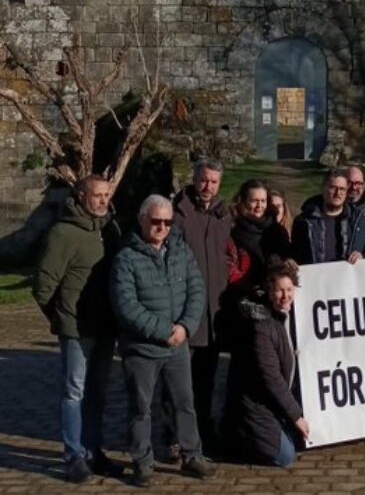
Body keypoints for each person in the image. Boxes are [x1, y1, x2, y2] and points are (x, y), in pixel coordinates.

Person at [111, 195, 216, 487]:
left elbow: (197, 288)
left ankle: (192, 454)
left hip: (178, 345)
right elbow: (126, 306)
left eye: (167, 222)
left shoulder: (181, 251)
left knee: (185, 403)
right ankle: (142, 461)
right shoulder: (126, 258)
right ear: (143, 219)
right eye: (156, 221)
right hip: (142, 348)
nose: (162, 227)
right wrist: (163, 330)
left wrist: (185, 326)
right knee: (140, 408)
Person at [32, 174, 124, 483]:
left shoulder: (110, 230)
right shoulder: (63, 234)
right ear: (81, 196)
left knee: (98, 393)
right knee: (74, 392)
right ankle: (73, 456)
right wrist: (61, 319)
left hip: (105, 326)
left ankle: (92, 451)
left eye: (106, 196)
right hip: (76, 329)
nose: (102, 201)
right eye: (97, 195)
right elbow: (43, 286)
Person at [223, 262, 308, 467]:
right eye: (279, 290)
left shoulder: (288, 316)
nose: (285, 296)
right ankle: (239, 435)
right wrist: (297, 416)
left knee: (299, 442)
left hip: (274, 402)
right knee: (286, 457)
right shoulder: (262, 327)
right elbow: (272, 379)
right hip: (256, 404)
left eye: (289, 290)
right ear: (269, 291)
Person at [171, 158, 231, 451]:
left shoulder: (223, 214)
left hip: (214, 311)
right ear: (195, 179)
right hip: (185, 310)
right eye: (204, 180)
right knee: (178, 381)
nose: (208, 186)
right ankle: (173, 435)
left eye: (214, 182)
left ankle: (204, 430)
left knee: (206, 379)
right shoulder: (178, 213)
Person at [288, 170, 365, 265]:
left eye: (342, 189)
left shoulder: (357, 221)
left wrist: (361, 256)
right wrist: (291, 261)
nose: (337, 193)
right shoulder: (304, 221)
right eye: (332, 188)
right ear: (323, 188)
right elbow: (295, 253)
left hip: (348, 277)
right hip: (316, 277)